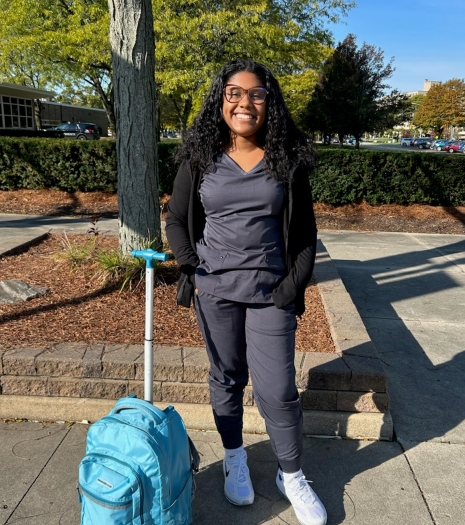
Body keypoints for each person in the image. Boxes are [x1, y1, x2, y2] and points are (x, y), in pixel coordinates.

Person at [165, 59, 326, 525]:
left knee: (277, 391)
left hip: (269, 292)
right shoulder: (201, 160)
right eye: (234, 92)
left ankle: (290, 475)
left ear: (269, 104)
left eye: (257, 94)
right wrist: (192, 269)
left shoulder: (287, 163)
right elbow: (177, 219)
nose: (245, 102)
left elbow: (306, 236)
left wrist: (290, 289)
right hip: (216, 291)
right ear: (221, 100)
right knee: (226, 378)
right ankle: (235, 457)